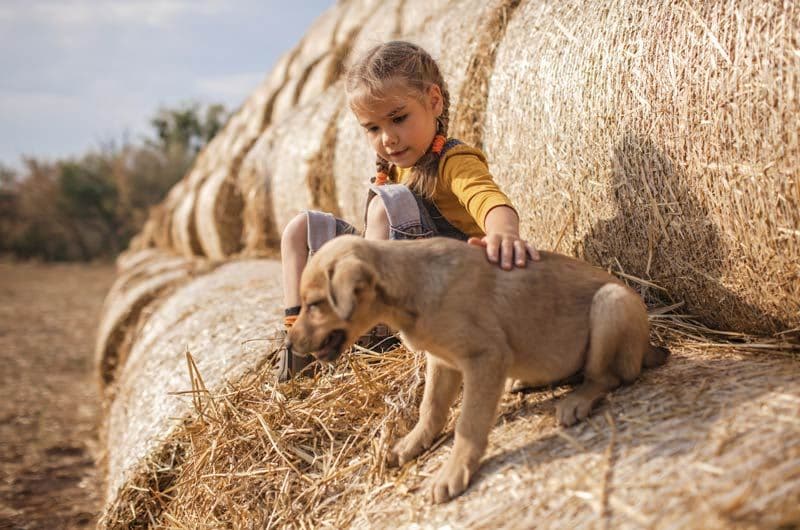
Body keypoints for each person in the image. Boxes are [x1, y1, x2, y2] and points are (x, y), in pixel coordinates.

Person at [275, 40, 539, 380]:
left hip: (441, 289)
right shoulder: (395, 168)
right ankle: (298, 339)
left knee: (388, 205)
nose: (388, 138)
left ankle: (375, 332)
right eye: (373, 128)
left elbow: (488, 199)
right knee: (300, 227)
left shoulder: (453, 161)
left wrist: (503, 233)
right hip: (390, 274)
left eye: (398, 119)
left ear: (434, 101)